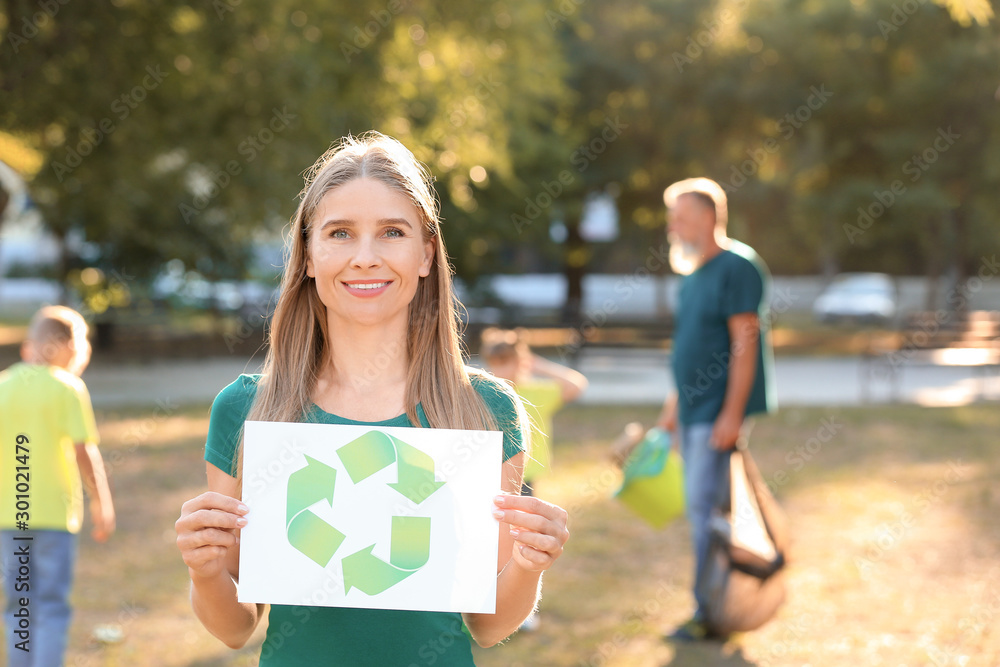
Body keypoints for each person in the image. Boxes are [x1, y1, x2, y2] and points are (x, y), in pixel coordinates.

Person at [174, 132, 570, 665]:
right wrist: (205, 570)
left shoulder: (485, 411)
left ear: (426, 253)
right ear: (308, 254)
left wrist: (529, 563)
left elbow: (488, 625)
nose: (365, 257)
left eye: (391, 232)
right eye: (340, 233)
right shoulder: (247, 412)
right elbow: (236, 628)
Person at [656, 177, 775, 642]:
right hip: (692, 411)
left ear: (707, 217)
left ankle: (709, 614)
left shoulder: (738, 266)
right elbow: (692, 349)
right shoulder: (692, 273)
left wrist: (732, 414)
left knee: (706, 513)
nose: (672, 225)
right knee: (701, 511)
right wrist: (672, 407)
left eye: (679, 215)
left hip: (715, 414)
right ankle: (714, 605)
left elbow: (745, 342)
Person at [0, 305, 116, 667]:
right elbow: (86, 454)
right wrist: (102, 503)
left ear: (27, 346)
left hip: (9, 519)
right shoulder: (68, 388)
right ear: (70, 349)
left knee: (19, 605)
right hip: (54, 518)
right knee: (50, 605)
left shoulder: (3, 386)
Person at [479, 327, 588, 497]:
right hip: (491, 470)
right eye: (494, 364)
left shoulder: (534, 394)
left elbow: (576, 385)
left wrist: (540, 366)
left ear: (520, 363)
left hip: (523, 473)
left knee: (518, 519)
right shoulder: (487, 393)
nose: (499, 371)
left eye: (505, 363)